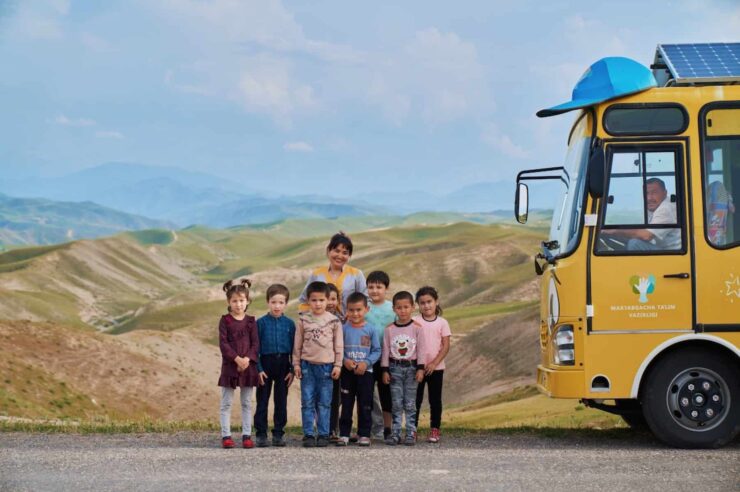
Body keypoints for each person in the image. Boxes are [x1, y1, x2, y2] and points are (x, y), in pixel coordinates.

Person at [293, 281, 343, 447]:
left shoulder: (334, 321)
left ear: (328, 300)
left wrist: (337, 365)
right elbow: (297, 345)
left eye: (321, 300)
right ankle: (308, 434)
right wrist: (297, 364)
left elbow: (338, 345)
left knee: (324, 402)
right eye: (314, 300)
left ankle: (323, 434)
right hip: (307, 366)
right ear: (308, 301)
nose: (318, 303)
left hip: (327, 368)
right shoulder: (303, 320)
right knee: (307, 401)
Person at [217, 279, 259, 449]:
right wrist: (237, 359)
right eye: (234, 301)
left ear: (247, 301)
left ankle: (246, 435)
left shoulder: (251, 321)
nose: (238, 304)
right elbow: (223, 344)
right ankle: (226, 435)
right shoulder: (225, 321)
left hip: (248, 367)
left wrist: (247, 359)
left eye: (241, 300)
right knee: (226, 402)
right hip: (230, 367)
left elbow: (256, 344)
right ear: (229, 302)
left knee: (247, 403)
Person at [336, 292, 381, 446]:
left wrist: (366, 363)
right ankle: (344, 434)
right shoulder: (342, 329)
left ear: (366, 309)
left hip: (366, 373)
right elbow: (338, 349)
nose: (355, 313)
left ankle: (364, 434)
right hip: (347, 373)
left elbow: (377, 350)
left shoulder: (371, 329)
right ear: (346, 310)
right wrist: (344, 361)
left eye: (359, 310)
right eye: (351, 310)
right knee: (347, 403)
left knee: (365, 404)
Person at [254, 284, 295, 448]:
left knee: (281, 401)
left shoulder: (290, 324)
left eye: (281, 302)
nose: (277, 306)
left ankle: (278, 433)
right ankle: (261, 434)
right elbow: (255, 348)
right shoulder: (260, 323)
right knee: (262, 401)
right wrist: (259, 368)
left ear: (286, 304)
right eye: (273, 302)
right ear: (267, 302)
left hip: (284, 366)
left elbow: (295, 349)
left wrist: (292, 369)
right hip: (265, 365)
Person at [382, 291, 424, 446]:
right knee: (396, 402)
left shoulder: (417, 328)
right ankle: (396, 433)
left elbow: (421, 349)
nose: (403, 310)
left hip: (412, 369)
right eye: (399, 307)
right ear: (394, 309)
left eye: (406, 307)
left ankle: (411, 432)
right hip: (395, 369)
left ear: (413, 307)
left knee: (410, 402)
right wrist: (385, 370)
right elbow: (386, 350)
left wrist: (421, 368)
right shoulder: (389, 329)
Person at [414, 286, 451, 444]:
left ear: (436, 302)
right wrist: (420, 366)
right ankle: (412, 429)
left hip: (436, 369)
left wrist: (434, 363)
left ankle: (435, 429)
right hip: (418, 369)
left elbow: (446, 346)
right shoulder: (415, 321)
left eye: (429, 302)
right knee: (415, 400)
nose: (426, 306)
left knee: (435, 400)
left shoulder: (442, 323)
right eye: (422, 303)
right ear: (418, 304)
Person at [298, 232, 368, 317]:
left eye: (345, 253)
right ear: (328, 251)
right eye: (337, 251)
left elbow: (366, 300)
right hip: (321, 326)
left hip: (349, 325)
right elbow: (304, 300)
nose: (340, 255)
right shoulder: (317, 274)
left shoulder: (356, 274)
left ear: (349, 255)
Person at [603, 178, 681, 251]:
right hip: (661, 248)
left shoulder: (666, 209)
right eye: (646, 193)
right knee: (627, 238)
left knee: (635, 244)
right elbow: (638, 229)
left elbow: (646, 236)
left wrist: (614, 231)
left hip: (672, 255)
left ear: (665, 193)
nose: (649, 198)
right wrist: (612, 231)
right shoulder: (654, 206)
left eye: (654, 193)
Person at [365, 270, 395, 440]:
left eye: (379, 287)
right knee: (366, 394)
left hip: (386, 357)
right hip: (367, 357)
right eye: (371, 287)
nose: (374, 290)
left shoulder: (392, 308)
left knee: (386, 393)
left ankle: (388, 428)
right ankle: (366, 428)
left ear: (386, 288)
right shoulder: (364, 307)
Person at [325, 282, 343, 441]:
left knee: (336, 398)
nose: (330, 302)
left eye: (333, 298)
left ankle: (333, 429)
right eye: (327, 298)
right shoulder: (313, 319)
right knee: (320, 398)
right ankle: (319, 428)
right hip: (319, 364)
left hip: (337, 365)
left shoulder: (343, 320)